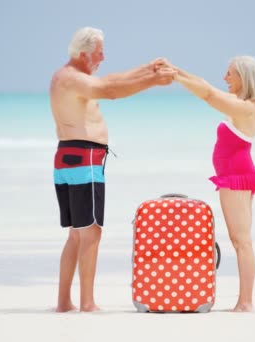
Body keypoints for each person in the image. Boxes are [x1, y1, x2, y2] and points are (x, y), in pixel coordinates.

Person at [49, 27, 176, 312]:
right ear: (84, 54)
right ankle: (87, 303)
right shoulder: (74, 79)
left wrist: (147, 68)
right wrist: (153, 82)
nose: (103, 57)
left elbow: (110, 80)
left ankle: (64, 302)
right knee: (91, 233)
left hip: (65, 157)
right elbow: (111, 91)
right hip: (85, 158)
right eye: (99, 53)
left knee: (75, 234)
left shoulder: (67, 76)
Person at [166, 56, 255, 312]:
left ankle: (245, 303)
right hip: (234, 175)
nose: (225, 78)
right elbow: (207, 87)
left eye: (230, 73)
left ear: (244, 77)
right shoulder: (240, 104)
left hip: (236, 176)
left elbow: (209, 95)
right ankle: (245, 301)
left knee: (241, 241)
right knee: (240, 240)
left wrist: (177, 78)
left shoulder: (245, 107)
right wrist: (179, 71)